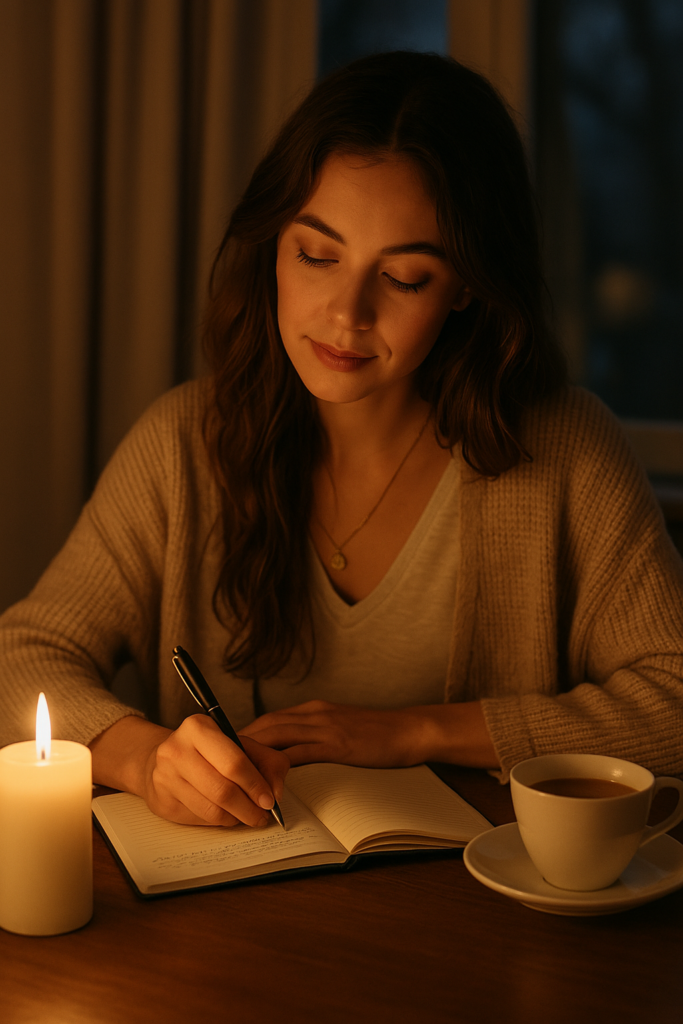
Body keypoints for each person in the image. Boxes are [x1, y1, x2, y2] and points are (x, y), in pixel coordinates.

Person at [1, 52, 682, 830]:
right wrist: (145, 759)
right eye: (318, 255)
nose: (346, 313)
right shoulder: (183, 444)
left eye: (404, 278)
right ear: (273, 248)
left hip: (485, 921)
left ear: (466, 286)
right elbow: (20, 658)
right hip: (224, 917)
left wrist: (415, 730)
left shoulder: (562, 451)